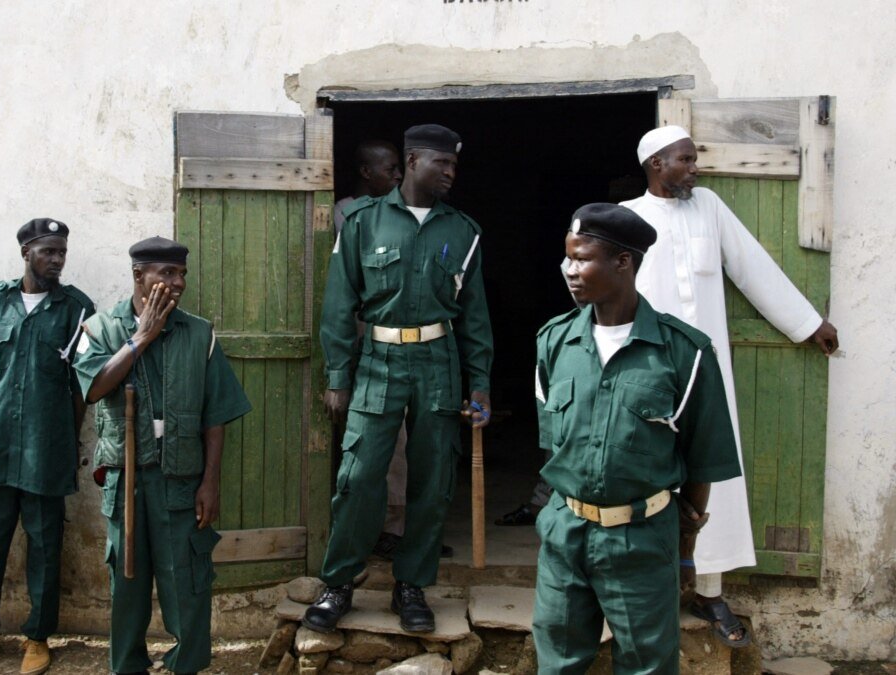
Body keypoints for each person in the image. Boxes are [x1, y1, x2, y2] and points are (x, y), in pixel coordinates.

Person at [624, 126, 840, 647]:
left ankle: (709, 588)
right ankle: (641, 589)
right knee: (643, 473)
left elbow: (752, 268)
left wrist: (808, 323)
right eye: (686, 160)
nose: (695, 169)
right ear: (656, 164)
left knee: (712, 472)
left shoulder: (710, 208)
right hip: (646, 371)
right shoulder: (626, 219)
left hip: (704, 369)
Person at [532, 203, 741, 674]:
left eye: (582, 258)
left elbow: (702, 460)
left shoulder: (685, 352)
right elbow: (553, 442)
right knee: (557, 663)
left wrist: (684, 550)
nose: (569, 270)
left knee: (647, 664)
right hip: (564, 533)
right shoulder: (553, 342)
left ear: (623, 262)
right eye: (567, 258)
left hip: (643, 540)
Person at [304, 124, 494, 634]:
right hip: (377, 360)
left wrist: (480, 383)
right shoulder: (364, 222)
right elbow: (339, 305)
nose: (451, 173)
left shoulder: (463, 231)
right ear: (412, 162)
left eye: (454, 165)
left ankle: (412, 585)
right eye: (442, 164)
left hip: (438, 360)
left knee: (432, 483)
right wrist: (339, 375)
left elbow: (475, 316)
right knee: (358, 477)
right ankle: (339, 583)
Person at [73, 236, 250, 675]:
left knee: (187, 584)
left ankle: (185, 665)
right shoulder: (99, 328)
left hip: (181, 482)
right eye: (167, 274)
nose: (178, 283)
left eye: (182, 274)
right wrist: (140, 340)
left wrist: (211, 482)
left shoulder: (199, 333)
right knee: (126, 587)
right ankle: (128, 667)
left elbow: (216, 416)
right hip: (125, 482)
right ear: (139, 275)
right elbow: (93, 389)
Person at [0, 219, 94, 675]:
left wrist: (69, 443)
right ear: (25, 251)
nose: (56, 259)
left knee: (45, 547)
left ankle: (37, 638)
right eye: (48, 251)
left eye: (61, 252)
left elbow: (80, 388)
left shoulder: (76, 309)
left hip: (46, 450)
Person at [332, 139, 412, 558]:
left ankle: (392, 528)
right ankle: (356, 531)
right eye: (392, 168)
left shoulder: (400, 214)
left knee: (395, 439)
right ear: (367, 172)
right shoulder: (344, 215)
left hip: (393, 343)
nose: (399, 176)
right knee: (360, 442)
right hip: (358, 336)